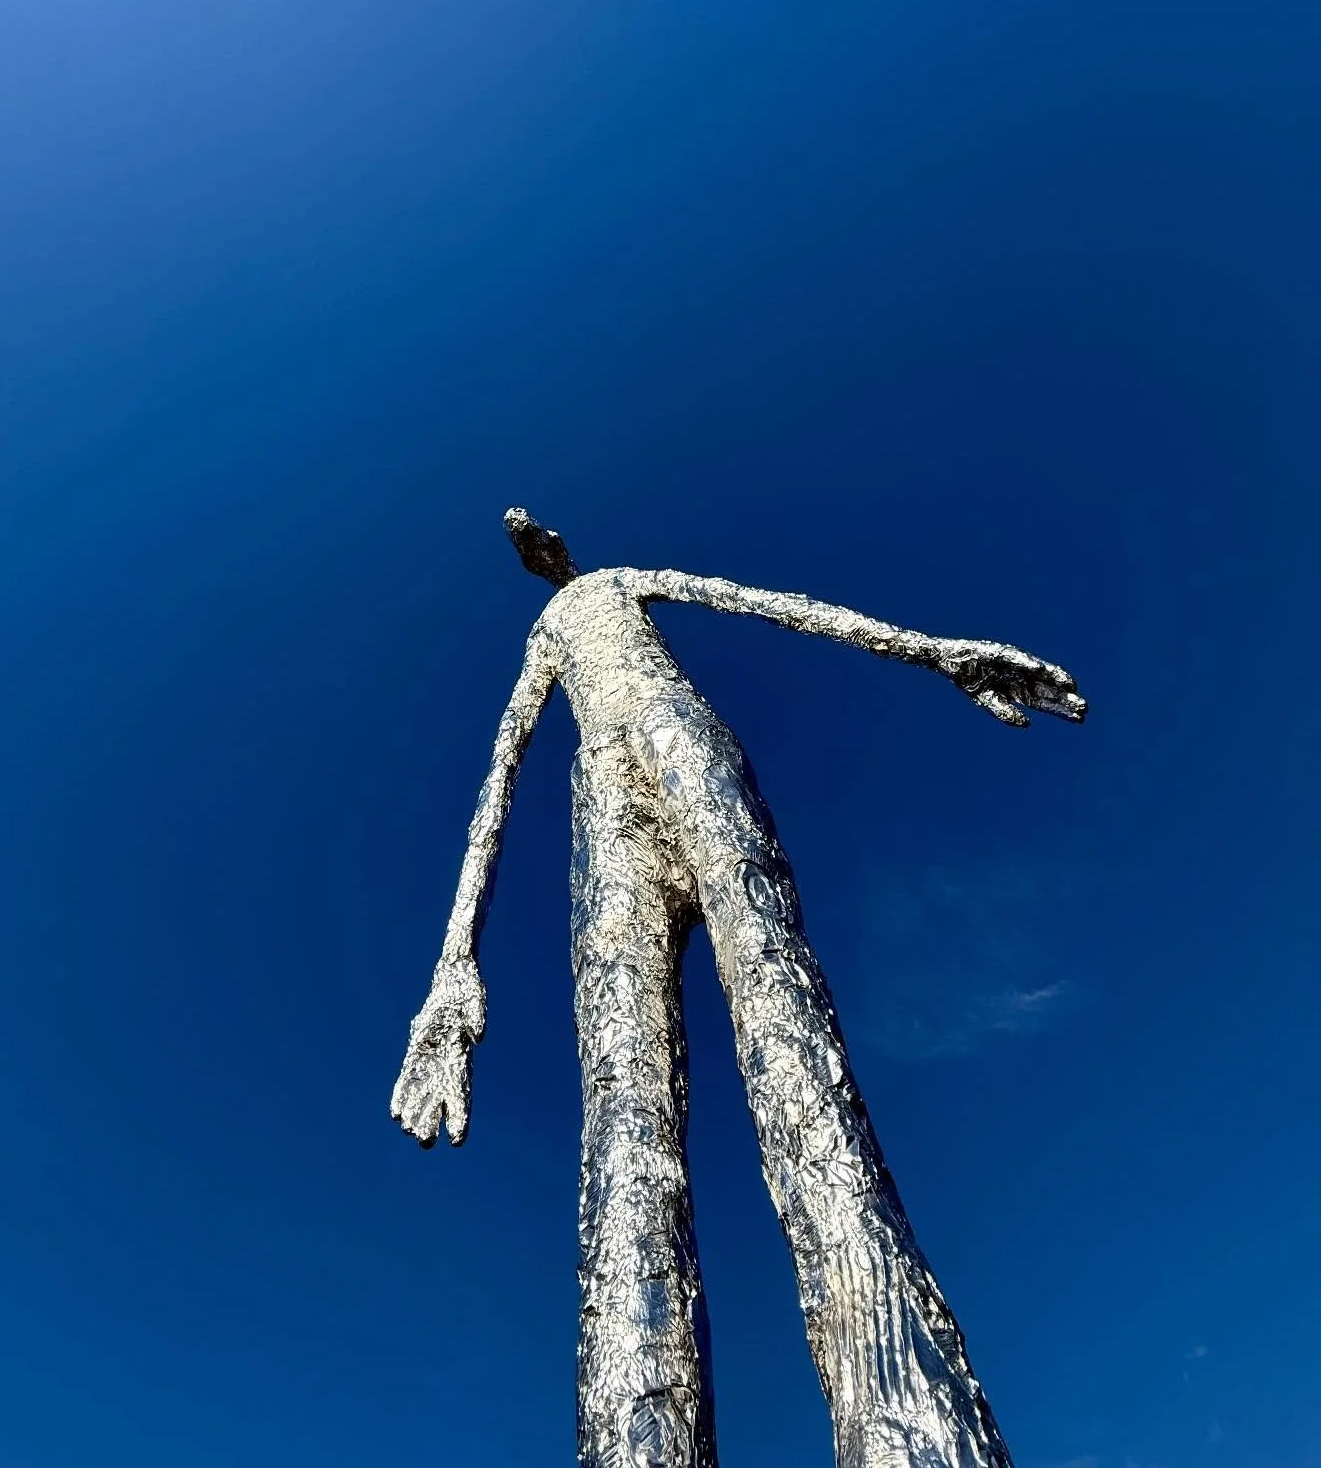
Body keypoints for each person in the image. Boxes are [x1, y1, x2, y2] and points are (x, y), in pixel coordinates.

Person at [392, 509, 1085, 1468]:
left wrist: (935, 652)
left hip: (681, 739)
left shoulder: (623, 577)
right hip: (603, 807)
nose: (529, 537)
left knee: (787, 1025)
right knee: (625, 1121)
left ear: (564, 542)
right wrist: (453, 965)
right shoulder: (546, 633)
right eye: (520, 540)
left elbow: (768, 605)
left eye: (540, 530)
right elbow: (500, 770)